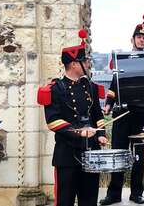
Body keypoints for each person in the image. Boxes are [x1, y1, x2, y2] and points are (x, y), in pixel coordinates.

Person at [100, 14, 144, 205]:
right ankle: (114, 194)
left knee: (139, 156)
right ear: (132, 39)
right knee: (118, 153)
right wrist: (108, 104)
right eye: (139, 37)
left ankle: (136, 193)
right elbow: (115, 84)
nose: (142, 39)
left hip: (143, 113)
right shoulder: (122, 58)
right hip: (122, 113)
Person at [37, 29, 108, 206]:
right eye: (85, 61)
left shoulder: (91, 86)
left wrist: (101, 134)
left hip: (90, 153)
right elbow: (53, 121)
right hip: (67, 155)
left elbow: (97, 115)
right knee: (64, 201)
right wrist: (80, 132)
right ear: (75, 64)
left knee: (90, 200)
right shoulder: (55, 89)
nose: (88, 65)